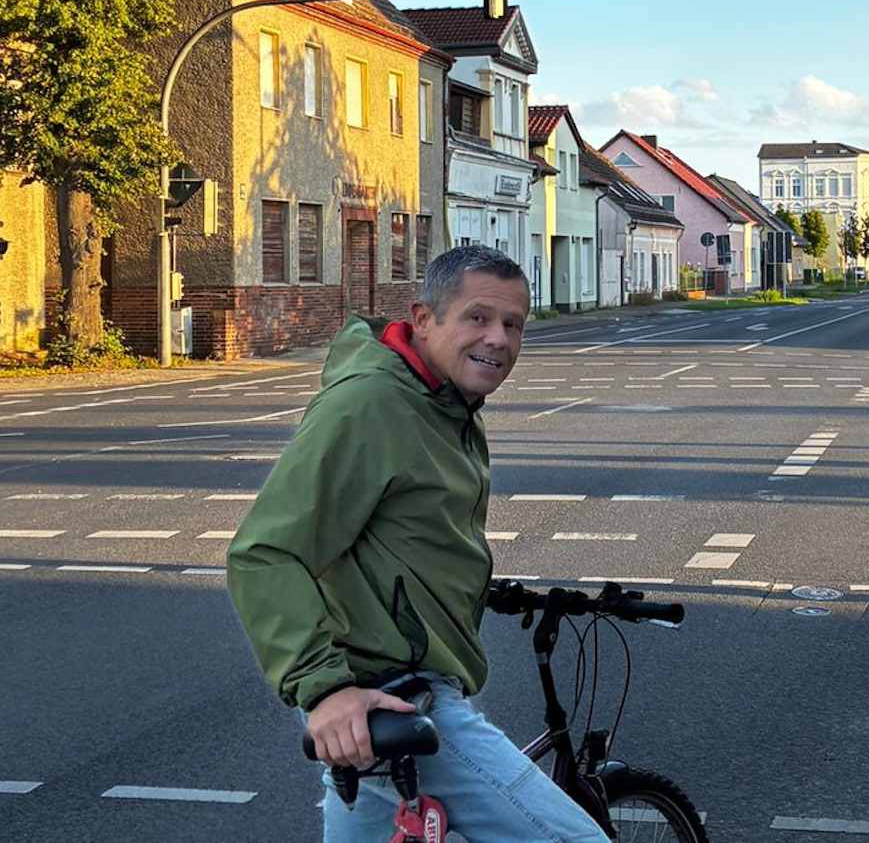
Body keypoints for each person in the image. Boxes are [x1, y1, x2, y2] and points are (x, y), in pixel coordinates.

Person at [226, 245, 608, 843]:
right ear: (424, 319)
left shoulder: (445, 399)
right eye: (478, 317)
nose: (499, 339)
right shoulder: (373, 403)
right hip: (394, 695)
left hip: (395, 687)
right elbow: (267, 552)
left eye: (514, 324)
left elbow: (404, 533)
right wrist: (324, 690)